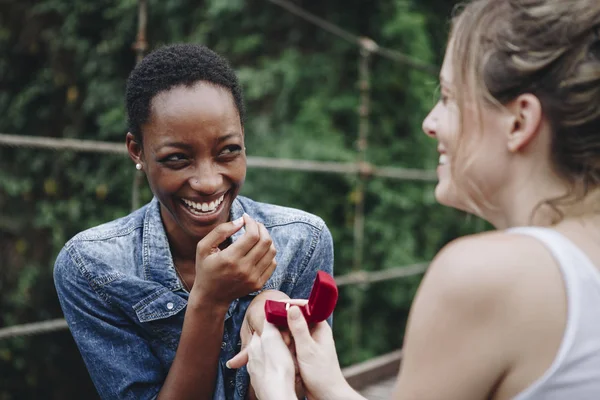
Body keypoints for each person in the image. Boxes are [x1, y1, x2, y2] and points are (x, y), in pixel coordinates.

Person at [228, 0, 600, 399]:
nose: (430, 123)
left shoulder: (485, 276)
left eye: (448, 97)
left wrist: (275, 389)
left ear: (519, 122)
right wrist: (333, 386)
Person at [53, 43, 334, 400]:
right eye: (177, 159)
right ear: (137, 151)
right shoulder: (91, 267)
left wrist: (269, 315)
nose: (209, 182)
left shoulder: (303, 241)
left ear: (244, 137)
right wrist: (209, 302)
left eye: (228, 151)